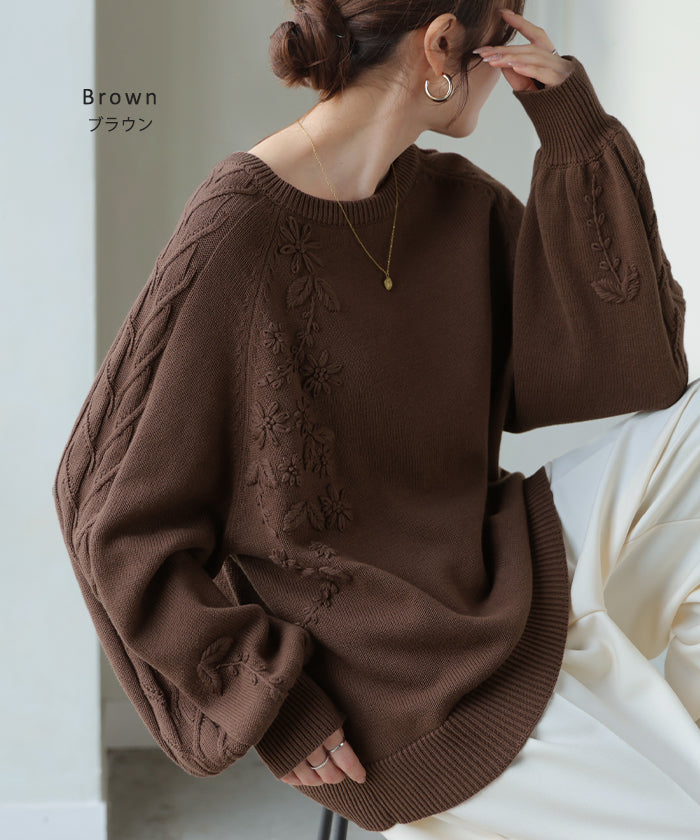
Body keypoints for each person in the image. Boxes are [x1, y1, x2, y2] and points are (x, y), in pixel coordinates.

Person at [51, 1, 700, 837]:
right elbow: (101, 511)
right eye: (502, 33)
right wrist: (269, 703)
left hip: (492, 561)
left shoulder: (454, 203)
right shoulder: (238, 231)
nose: (510, 57)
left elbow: (631, 365)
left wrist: (572, 130)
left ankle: (627, 721)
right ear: (443, 42)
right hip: (379, 678)